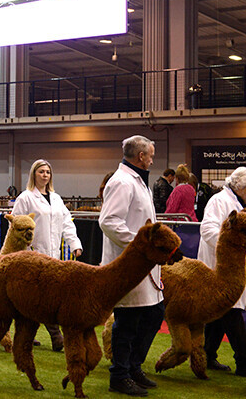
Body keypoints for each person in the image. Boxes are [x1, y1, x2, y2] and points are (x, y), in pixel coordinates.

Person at [99, 135, 163, 396]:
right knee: (127, 322)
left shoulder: (137, 180)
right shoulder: (122, 181)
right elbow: (109, 221)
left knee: (153, 314)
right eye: (150, 155)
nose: (151, 159)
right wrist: (139, 244)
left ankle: (134, 366)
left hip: (144, 265)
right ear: (140, 157)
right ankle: (119, 375)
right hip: (128, 264)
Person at [12, 159, 83, 352]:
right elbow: (16, 225)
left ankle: (25, 334)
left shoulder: (57, 198)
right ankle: (56, 335)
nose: (45, 175)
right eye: (41, 172)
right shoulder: (25, 198)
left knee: (35, 298)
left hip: (54, 255)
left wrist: (75, 244)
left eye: (48, 172)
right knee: (42, 297)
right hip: (32, 254)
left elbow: (67, 223)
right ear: (34, 174)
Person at [199, 166, 246, 376]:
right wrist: (228, 247)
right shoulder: (219, 201)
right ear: (241, 187)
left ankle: (207, 355)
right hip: (220, 267)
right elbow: (207, 229)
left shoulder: (240, 203)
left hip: (233, 269)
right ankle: (244, 361)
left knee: (219, 313)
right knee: (231, 312)